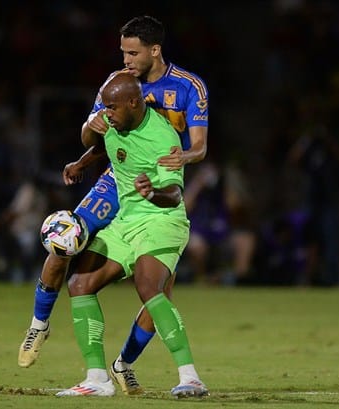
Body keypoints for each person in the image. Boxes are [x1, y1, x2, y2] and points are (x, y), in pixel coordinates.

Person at [18, 15, 209, 395]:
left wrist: (178, 161)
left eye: (132, 52)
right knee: (67, 237)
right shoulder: (116, 86)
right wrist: (83, 156)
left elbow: (199, 147)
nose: (125, 59)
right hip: (117, 182)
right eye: (122, 51)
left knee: (154, 289)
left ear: (154, 50)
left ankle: (128, 365)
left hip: (156, 186)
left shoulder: (187, 89)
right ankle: (40, 324)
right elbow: (96, 133)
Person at [55, 72, 207, 397]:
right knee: (79, 283)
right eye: (104, 108)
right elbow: (102, 146)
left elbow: (175, 195)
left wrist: (153, 193)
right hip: (127, 221)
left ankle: (190, 376)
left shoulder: (162, 136)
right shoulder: (113, 123)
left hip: (163, 219)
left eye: (111, 108)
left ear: (133, 103)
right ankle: (97, 379)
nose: (106, 113)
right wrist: (81, 163)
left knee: (148, 285)